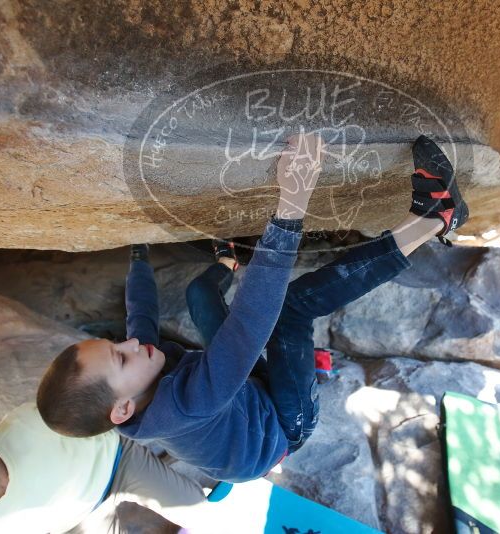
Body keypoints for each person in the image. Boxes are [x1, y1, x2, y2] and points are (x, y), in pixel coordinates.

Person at [36, 133, 468, 483]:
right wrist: (291, 205)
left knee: (199, 295)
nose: (130, 343)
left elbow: (141, 316)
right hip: (283, 424)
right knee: (290, 311)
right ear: (123, 410)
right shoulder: (187, 403)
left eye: (115, 343)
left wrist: (137, 248)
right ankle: (436, 217)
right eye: (120, 355)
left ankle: (227, 259)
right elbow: (249, 323)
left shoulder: (135, 374)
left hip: (244, 400)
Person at [0, 402, 211, 534]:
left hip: (117, 464)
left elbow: (91, 410)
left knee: (201, 513)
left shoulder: (25, 422)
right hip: (80, 517)